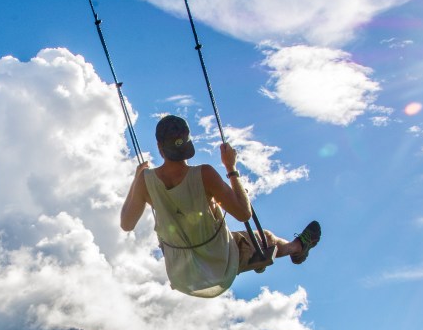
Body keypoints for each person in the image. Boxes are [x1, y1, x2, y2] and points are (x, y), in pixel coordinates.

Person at [120, 114, 320, 298]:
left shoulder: (146, 181)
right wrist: (230, 167)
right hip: (219, 263)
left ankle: (251, 252)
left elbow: (126, 224)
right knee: (266, 239)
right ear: (188, 144)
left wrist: (137, 179)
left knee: (244, 239)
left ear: (159, 146)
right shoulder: (204, 174)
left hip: (182, 274)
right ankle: (297, 248)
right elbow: (243, 213)